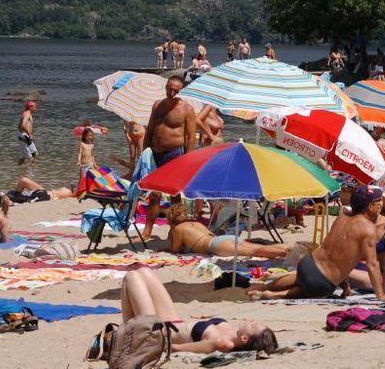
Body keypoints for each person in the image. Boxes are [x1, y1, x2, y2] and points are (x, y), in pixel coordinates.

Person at [247, 186, 385, 302]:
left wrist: (345, 283)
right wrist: (380, 295)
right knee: (307, 289)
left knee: (300, 279)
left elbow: (341, 253)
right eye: (379, 201)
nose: (381, 204)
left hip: (308, 263)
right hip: (322, 280)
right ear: (371, 206)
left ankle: (263, 288)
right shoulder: (368, 229)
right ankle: (271, 295)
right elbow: (372, 265)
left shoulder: (342, 217)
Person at [121, 268, 277, 354]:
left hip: (157, 333)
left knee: (131, 277)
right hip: (173, 321)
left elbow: (182, 348)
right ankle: (128, 331)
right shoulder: (230, 333)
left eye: (253, 325)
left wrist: (167, 347)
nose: (251, 321)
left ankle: (130, 335)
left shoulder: (223, 343)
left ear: (244, 338)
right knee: (145, 272)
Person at [142, 75, 197, 239]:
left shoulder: (187, 109)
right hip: (155, 153)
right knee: (154, 194)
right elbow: (150, 128)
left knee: (175, 194)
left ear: (181, 90)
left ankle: (176, 231)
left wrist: (188, 161)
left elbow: (191, 137)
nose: (172, 93)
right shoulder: (158, 105)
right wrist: (144, 151)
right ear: (166, 86)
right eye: (169, 89)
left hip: (174, 154)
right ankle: (147, 231)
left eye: (175, 90)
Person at [165, 198, 287, 258]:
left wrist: (165, 248)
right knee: (260, 248)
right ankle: (291, 248)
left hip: (215, 245)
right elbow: (210, 233)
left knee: (256, 251)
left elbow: (175, 250)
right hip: (224, 238)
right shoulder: (196, 223)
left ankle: (287, 253)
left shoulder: (178, 229)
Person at [17, 100, 38, 166]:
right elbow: (23, 125)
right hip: (25, 136)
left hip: (23, 135)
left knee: (31, 154)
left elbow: (19, 126)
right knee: (31, 156)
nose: (36, 108)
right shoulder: (27, 114)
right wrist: (29, 134)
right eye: (35, 107)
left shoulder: (25, 113)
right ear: (30, 107)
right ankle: (30, 173)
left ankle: (18, 170)